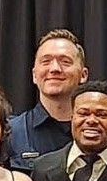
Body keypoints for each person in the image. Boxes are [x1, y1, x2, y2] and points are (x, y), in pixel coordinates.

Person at [9, 29, 88, 168]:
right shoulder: (11, 133)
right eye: (46, 62)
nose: (54, 68)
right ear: (34, 75)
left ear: (83, 75)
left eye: (65, 62)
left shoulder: (100, 133)